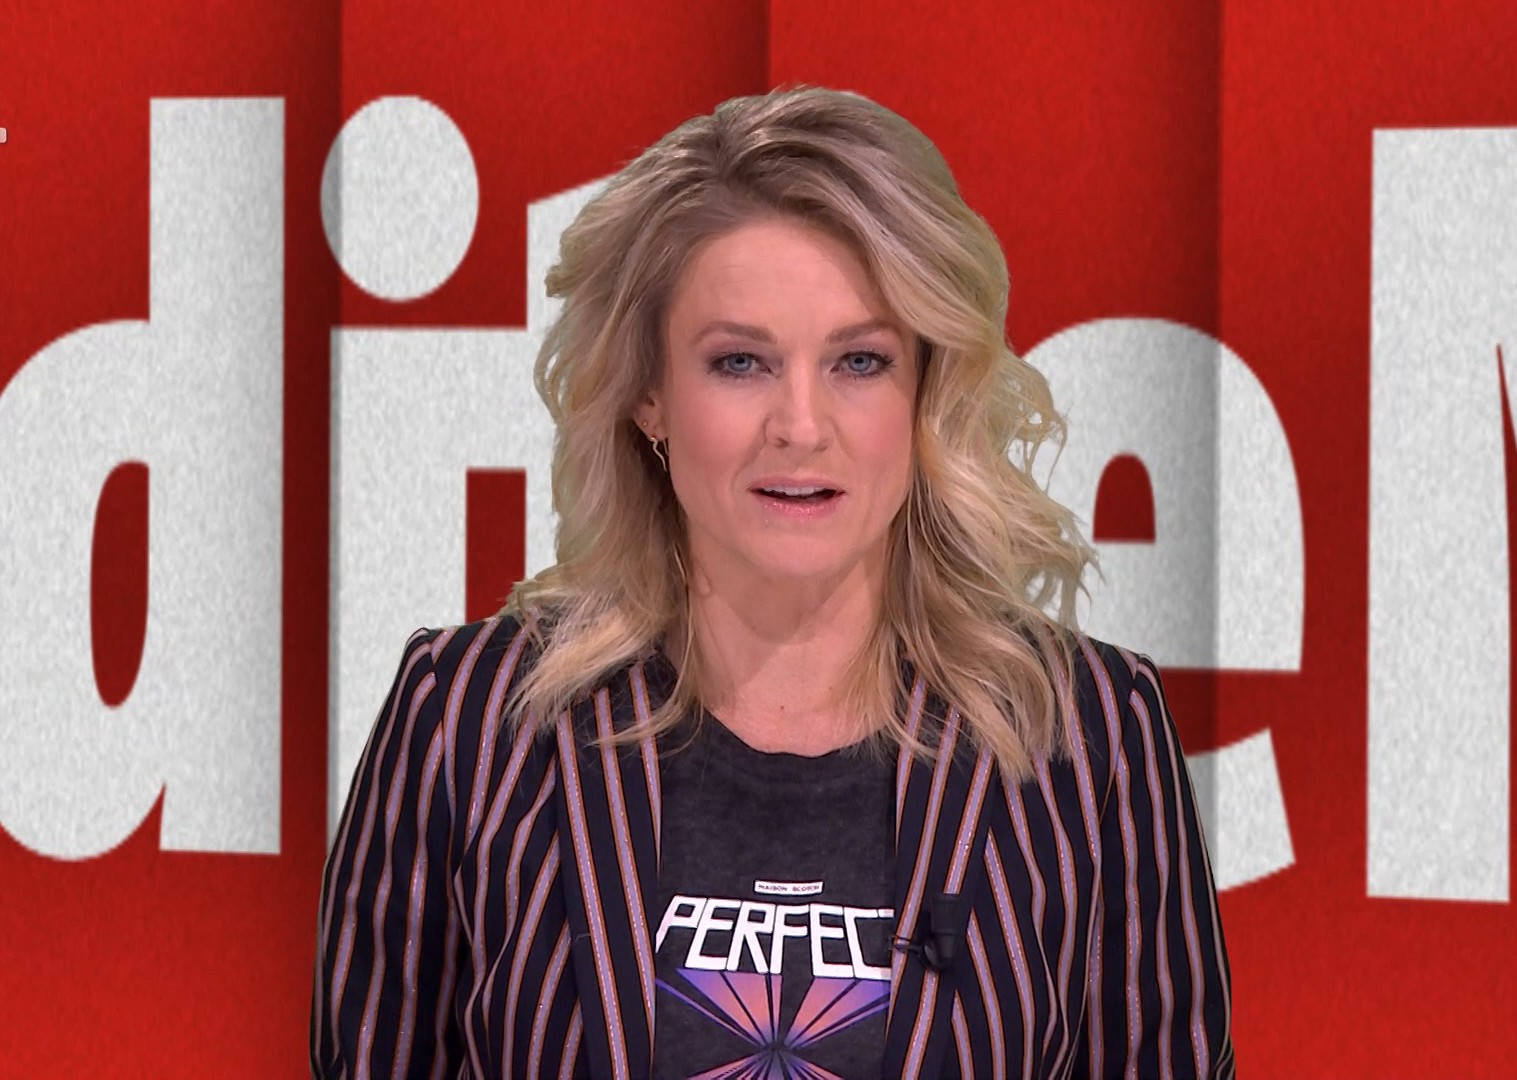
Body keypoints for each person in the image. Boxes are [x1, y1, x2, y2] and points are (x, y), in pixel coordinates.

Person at [311, 84, 1234, 1079]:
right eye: (741, 362)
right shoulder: (466, 724)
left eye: (860, 362)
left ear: (927, 391)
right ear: (650, 395)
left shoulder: (1092, 739)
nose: (800, 426)